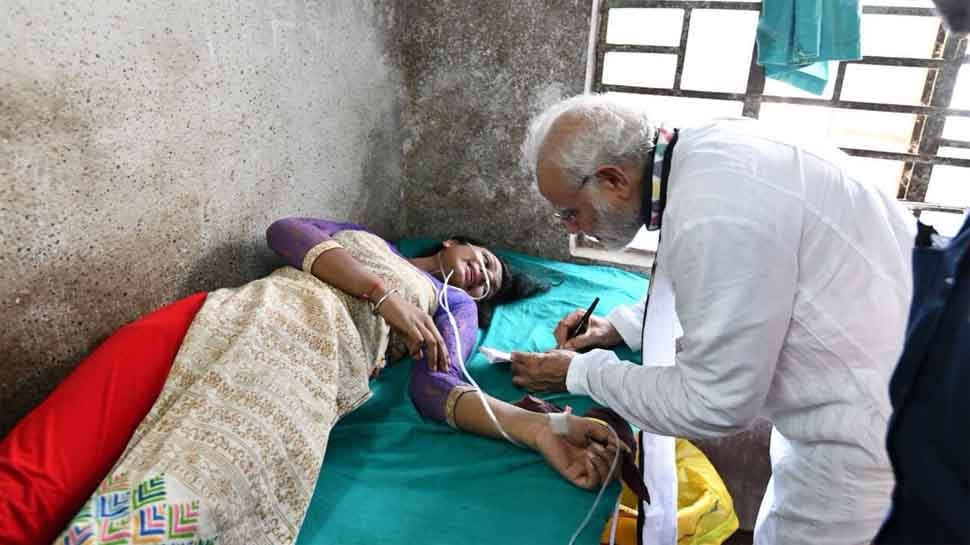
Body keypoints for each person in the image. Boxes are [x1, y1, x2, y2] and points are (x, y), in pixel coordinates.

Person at [51, 216, 621, 545]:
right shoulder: (366, 241)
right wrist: (384, 293)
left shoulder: (452, 306)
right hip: (258, 311)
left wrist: (541, 430)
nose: (481, 278)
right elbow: (286, 231)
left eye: (488, 286)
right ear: (451, 240)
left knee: (215, 470)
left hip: (320, 359)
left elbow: (437, 389)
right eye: (485, 261)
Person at [509, 94, 916, 545]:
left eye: (570, 212)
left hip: (872, 437)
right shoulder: (700, 155)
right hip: (880, 381)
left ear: (613, 179)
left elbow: (715, 403)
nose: (570, 228)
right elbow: (734, 283)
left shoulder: (715, 212)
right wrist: (622, 326)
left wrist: (582, 373)